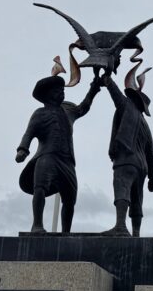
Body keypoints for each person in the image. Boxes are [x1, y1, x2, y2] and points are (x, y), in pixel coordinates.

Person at [16, 75, 101, 233]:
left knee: (70, 198)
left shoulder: (68, 111)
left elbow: (83, 107)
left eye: (62, 90)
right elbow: (29, 133)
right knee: (40, 188)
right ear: (47, 95)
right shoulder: (40, 113)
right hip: (47, 156)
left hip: (67, 161)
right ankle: (37, 225)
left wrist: (94, 89)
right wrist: (22, 149)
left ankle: (65, 232)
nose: (61, 93)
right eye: (57, 91)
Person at [101, 69, 153, 237]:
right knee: (137, 199)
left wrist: (107, 78)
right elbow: (151, 156)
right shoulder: (146, 127)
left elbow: (115, 94)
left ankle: (120, 226)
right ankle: (136, 233)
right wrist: (152, 179)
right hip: (142, 168)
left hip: (126, 160)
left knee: (122, 189)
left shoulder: (126, 107)